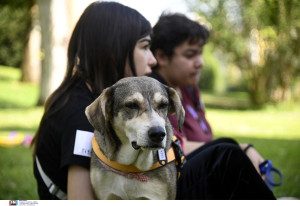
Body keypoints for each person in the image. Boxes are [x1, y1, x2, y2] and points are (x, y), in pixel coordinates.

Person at [32, 2, 156, 199]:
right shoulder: (83, 115)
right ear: (113, 49)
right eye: (145, 47)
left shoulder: (87, 99)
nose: (152, 60)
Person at [149, 13, 276, 199]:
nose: (200, 63)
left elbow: (205, 142)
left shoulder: (189, 90)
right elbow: (175, 147)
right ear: (161, 56)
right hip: (167, 185)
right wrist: (242, 148)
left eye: (200, 53)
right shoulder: (153, 94)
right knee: (228, 153)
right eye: (190, 55)